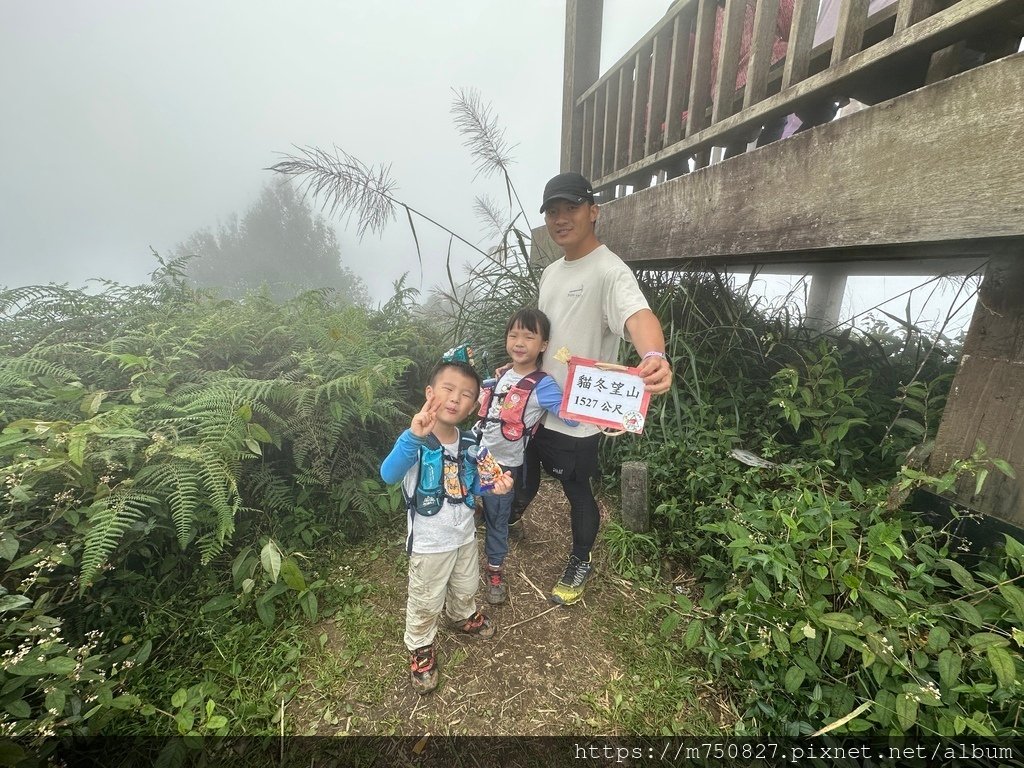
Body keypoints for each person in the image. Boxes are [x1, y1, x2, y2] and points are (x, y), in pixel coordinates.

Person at [512, 172, 673, 606]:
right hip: (536, 407)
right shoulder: (549, 274)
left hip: (578, 416)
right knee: (523, 474)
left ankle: (580, 557)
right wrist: (517, 369)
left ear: (593, 211)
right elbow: (544, 336)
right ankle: (510, 518)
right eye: (552, 211)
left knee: (576, 490)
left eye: (571, 208)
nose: (561, 218)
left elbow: (638, 315)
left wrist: (654, 355)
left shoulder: (609, 270)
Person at [380, 360, 514, 694]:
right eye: (448, 389)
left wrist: (496, 486)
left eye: (466, 395)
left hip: (464, 536)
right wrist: (412, 436)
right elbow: (388, 474)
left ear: (474, 405)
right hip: (429, 543)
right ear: (430, 393)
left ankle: (461, 614)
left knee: (467, 584)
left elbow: (476, 482)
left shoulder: (470, 441)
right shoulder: (415, 439)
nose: (455, 399)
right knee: (426, 599)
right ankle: (421, 646)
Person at [474, 308, 578, 605]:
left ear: (543, 345)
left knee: (498, 519)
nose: (519, 342)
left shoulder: (543, 384)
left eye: (528, 337)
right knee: (458, 498)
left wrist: (582, 388)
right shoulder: (504, 372)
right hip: (474, 452)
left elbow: (569, 417)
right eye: (513, 335)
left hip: (502, 466)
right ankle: (475, 512)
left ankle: (495, 572)